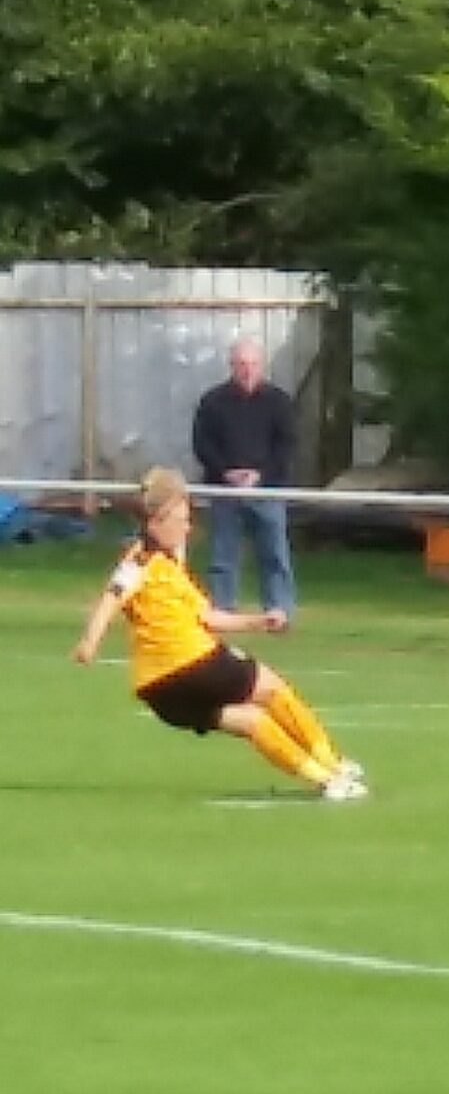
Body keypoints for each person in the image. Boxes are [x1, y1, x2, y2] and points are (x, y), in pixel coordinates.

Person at [72, 469, 368, 800]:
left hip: (159, 692)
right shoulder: (141, 561)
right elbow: (112, 596)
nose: (188, 527)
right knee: (273, 690)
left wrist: (257, 622)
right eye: (181, 519)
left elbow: (208, 617)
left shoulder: (169, 567)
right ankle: (334, 764)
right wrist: (90, 642)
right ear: (156, 522)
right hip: (193, 662)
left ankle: (327, 782)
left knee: (250, 721)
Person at [190, 335, 298, 623]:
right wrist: (226, 472)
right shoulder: (212, 402)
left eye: (252, 364)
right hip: (225, 492)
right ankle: (223, 610)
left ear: (262, 365)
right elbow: (202, 444)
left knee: (274, 554)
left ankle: (278, 610)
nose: (247, 370)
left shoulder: (279, 402)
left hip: (269, 492)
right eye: (241, 364)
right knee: (223, 556)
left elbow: (286, 446)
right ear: (231, 366)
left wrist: (260, 476)